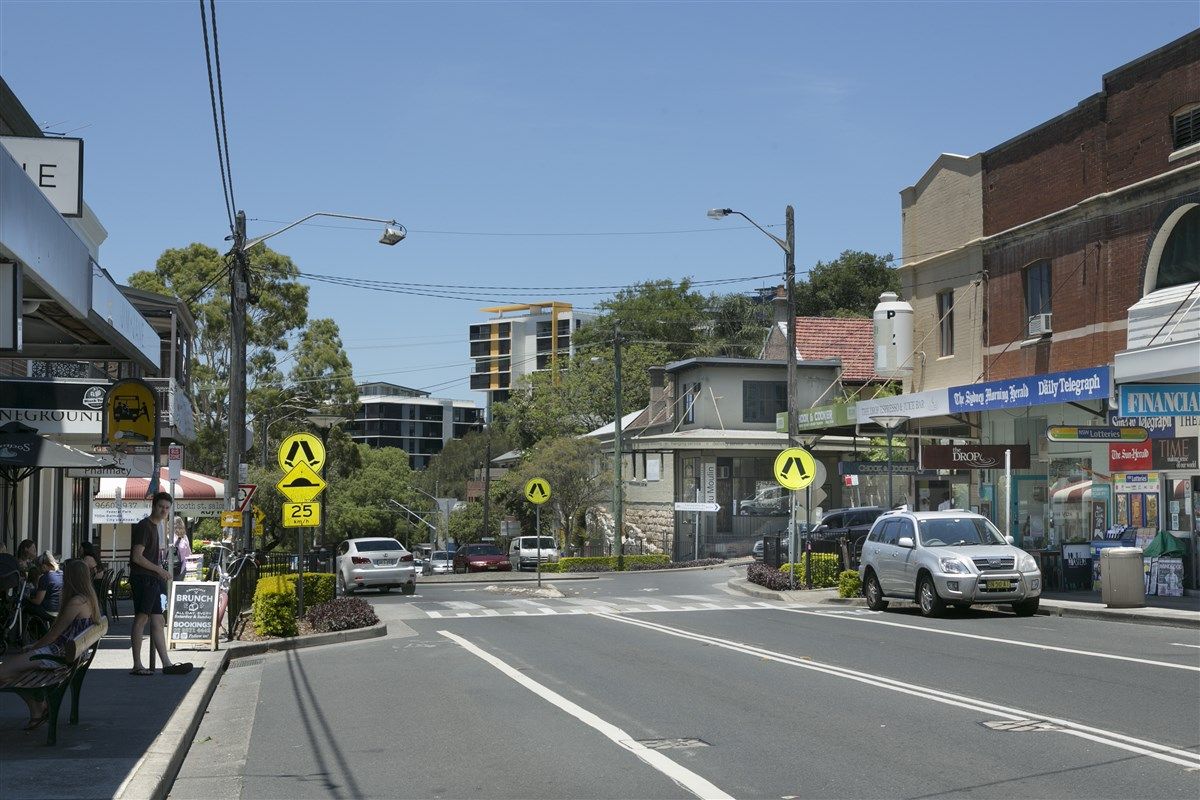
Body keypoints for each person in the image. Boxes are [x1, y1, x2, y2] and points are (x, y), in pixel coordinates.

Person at [0, 559, 100, 730]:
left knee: (3, 672)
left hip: (56, 656)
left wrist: (34, 647)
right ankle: (37, 709)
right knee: (10, 673)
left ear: (71, 578)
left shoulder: (76, 602)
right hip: (69, 655)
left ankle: (38, 708)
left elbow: (54, 634)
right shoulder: (88, 599)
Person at [129, 491, 192, 676]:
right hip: (143, 578)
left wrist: (158, 572)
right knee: (141, 619)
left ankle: (167, 664)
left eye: (167, 508)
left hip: (153, 579)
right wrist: (159, 570)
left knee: (158, 619)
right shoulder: (144, 526)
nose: (164, 510)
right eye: (161, 507)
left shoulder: (156, 527)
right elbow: (136, 557)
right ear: (154, 506)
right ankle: (137, 664)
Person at [24, 552, 62, 624]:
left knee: (25, 605)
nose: (39, 571)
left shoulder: (45, 577)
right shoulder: (62, 574)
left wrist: (27, 597)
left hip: (49, 612)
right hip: (61, 611)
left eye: (39, 567)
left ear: (44, 566)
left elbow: (38, 601)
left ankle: (26, 632)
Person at [171, 516, 192, 581]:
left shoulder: (168, 537)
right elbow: (188, 554)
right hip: (181, 567)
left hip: (168, 567)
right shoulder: (185, 538)